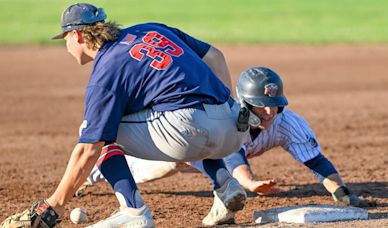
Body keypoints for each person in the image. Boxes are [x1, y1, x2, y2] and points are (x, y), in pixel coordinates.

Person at [1, 3, 249, 228]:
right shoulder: (151, 29)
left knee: (96, 132)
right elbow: (215, 55)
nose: (66, 45)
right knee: (161, 107)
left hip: (188, 132)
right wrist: (225, 105)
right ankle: (226, 185)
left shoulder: (106, 72)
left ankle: (133, 210)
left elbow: (89, 149)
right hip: (234, 126)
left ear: (76, 35)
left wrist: (54, 204)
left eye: (65, 38)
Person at [77, 66, 377, 225]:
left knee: (222, 173)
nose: (270, 113)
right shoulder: (229, 118)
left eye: (275, 105)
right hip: (183, 152)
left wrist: (343, 193)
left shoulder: (288, 123)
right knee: (147, 170)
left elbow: (316, 161)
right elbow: (232, 156)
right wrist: (249, 182)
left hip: (215, 157)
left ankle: (221, 205)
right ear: (245, 103)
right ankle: (92, 174)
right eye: (262, 107)